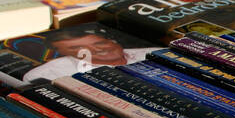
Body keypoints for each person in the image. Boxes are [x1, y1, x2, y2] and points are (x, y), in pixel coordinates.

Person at [22, 28, 160, 83]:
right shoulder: (49, 74)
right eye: (79, 48)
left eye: (99, 43)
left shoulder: (158, 53)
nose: (95, 50)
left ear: (112, 40)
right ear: (63, 53)